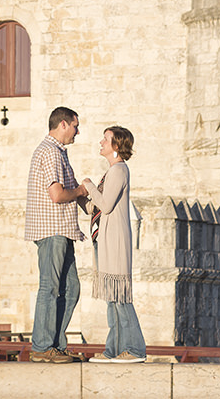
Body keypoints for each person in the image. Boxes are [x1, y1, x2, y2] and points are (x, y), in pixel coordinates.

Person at [25, 106, 88, 362]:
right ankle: (42, 347)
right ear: (63, 124)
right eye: (75, 125)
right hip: (52, 229)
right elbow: (58, 194)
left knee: (71, 287)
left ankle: (56, 344)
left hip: (63, 229)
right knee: (50, 287)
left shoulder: (58, 153)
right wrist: (81, 191)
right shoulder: (51, 152)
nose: (77, 131)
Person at [83, 126, 146, 363]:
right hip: (104, 239)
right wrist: (80, 195)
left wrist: (88, 185)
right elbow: (95, 207)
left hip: (115, 241)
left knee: (120, 298)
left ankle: (135, 349)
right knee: (112, 298)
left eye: (106, 139)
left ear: (116, 146)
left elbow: (106, 205)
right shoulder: (111, 172)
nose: (101, 142)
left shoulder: (119, 170)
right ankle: (114, 350)